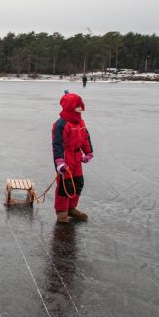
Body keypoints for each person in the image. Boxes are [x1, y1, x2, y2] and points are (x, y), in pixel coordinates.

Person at [52, 91, 94, 224]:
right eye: (78, 106)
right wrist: (59, 162)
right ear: (70, 106)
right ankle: (62, 212)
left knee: (78, 183)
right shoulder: (61, 124)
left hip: (77, 158)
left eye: (81, 106)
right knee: (65, 186)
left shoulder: (80, 122)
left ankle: (71, 208)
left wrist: (88, 152)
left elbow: (86, 138)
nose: (80, 108)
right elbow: (57, 144)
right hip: (66, 158)